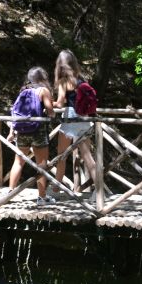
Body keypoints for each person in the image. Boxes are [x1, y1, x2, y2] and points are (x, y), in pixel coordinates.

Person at [52, 49, 98, 196]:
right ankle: (99, 190)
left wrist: (47, 103)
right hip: (84, 118)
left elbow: (59, 104)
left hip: (70, 118)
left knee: (61, 156)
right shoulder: (82, 79)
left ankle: (55, 189)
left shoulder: (63, 81)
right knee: (88, 157)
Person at [9, 67, 56, 204]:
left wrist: (12, 132)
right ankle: (42, 197)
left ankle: (10, 193)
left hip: (22, 130)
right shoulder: (43, 91)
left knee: (18, 162)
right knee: (41, 164)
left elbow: (15, 111)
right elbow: (50, 110)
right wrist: (52, 113)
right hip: (38, 131)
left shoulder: (23, 91)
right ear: (43, 78)